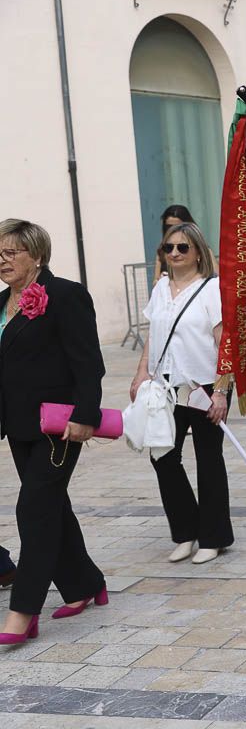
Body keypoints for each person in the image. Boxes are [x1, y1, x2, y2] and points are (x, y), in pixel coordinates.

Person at [0, 219, 107, 645]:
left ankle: (24, 611)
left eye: (12, 252)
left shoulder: (65, 295)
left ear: (37, 256)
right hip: (18, 425)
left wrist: (87, 414)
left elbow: (88, 362)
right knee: (50, 506)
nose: (3, 260)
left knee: (32, 509)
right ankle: (85, 583)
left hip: (58, 426)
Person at [132, 223, 232, 565]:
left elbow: (225, 344)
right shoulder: (161, 288)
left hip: (203, 385)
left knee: (208, 459)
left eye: (182, 248)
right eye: (168, 247)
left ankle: (214, 536)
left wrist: (221, 390)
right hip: (166, 386)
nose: (174, 253)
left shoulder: (212, 289)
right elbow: (153, 334)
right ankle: (186, 531)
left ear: (198, 252)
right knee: (162, 456)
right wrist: (141, 373)